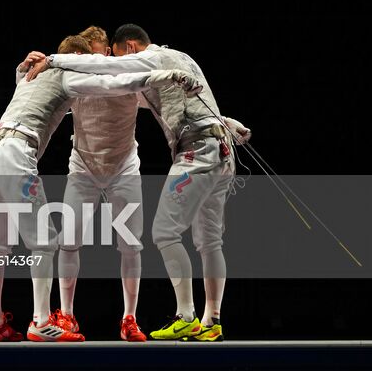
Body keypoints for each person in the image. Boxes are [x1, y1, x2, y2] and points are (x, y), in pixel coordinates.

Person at [25, 23, 250, 343]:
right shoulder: (182, 58)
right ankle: (211, 320)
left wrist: (51, 59)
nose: (107, 58)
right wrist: (227, 122)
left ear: (129, 48)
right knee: (209, 241)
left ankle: (184, 317)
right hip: (220, 149)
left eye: (112, 54)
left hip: (192, 154)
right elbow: (194, 102)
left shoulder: (150, 61)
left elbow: (113, 68)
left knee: (164, 233)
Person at [0, 32, 201, 343]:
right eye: (90, 60)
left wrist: (23, 68)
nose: (97, 64)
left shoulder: (35, 77)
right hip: (35, 157)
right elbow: (110, 83)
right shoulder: (73, 79)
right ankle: (43, 321)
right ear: (80, 60)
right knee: (46, 243)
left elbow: (30, 92)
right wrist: (170, 72)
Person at [17, 26, 147, 343]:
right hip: (83, 168)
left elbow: (168, 104)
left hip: (124, 168)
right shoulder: (74, 82)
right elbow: (30, 96)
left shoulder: (127, 78)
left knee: (131, 244)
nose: (100, 58)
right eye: (93, 54)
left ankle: (129, 318)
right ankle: (68, 314)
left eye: (103, 53)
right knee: (69, 242)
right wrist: (23, 71)